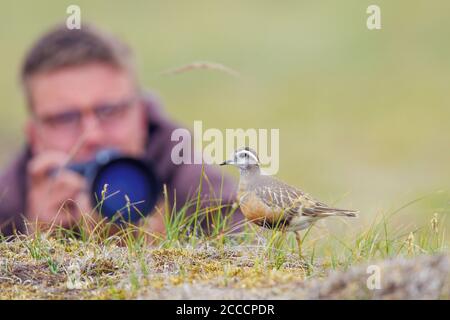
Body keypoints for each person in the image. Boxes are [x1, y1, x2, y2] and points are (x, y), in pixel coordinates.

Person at [0, 23, 241, 238]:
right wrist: (30, 236)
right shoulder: (10, 196)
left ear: (143, 115)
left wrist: (161, 247)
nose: (93, 135)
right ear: (34, 136)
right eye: (65, 118)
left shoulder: (183, 172)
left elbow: (251, 242)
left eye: (110, 111)